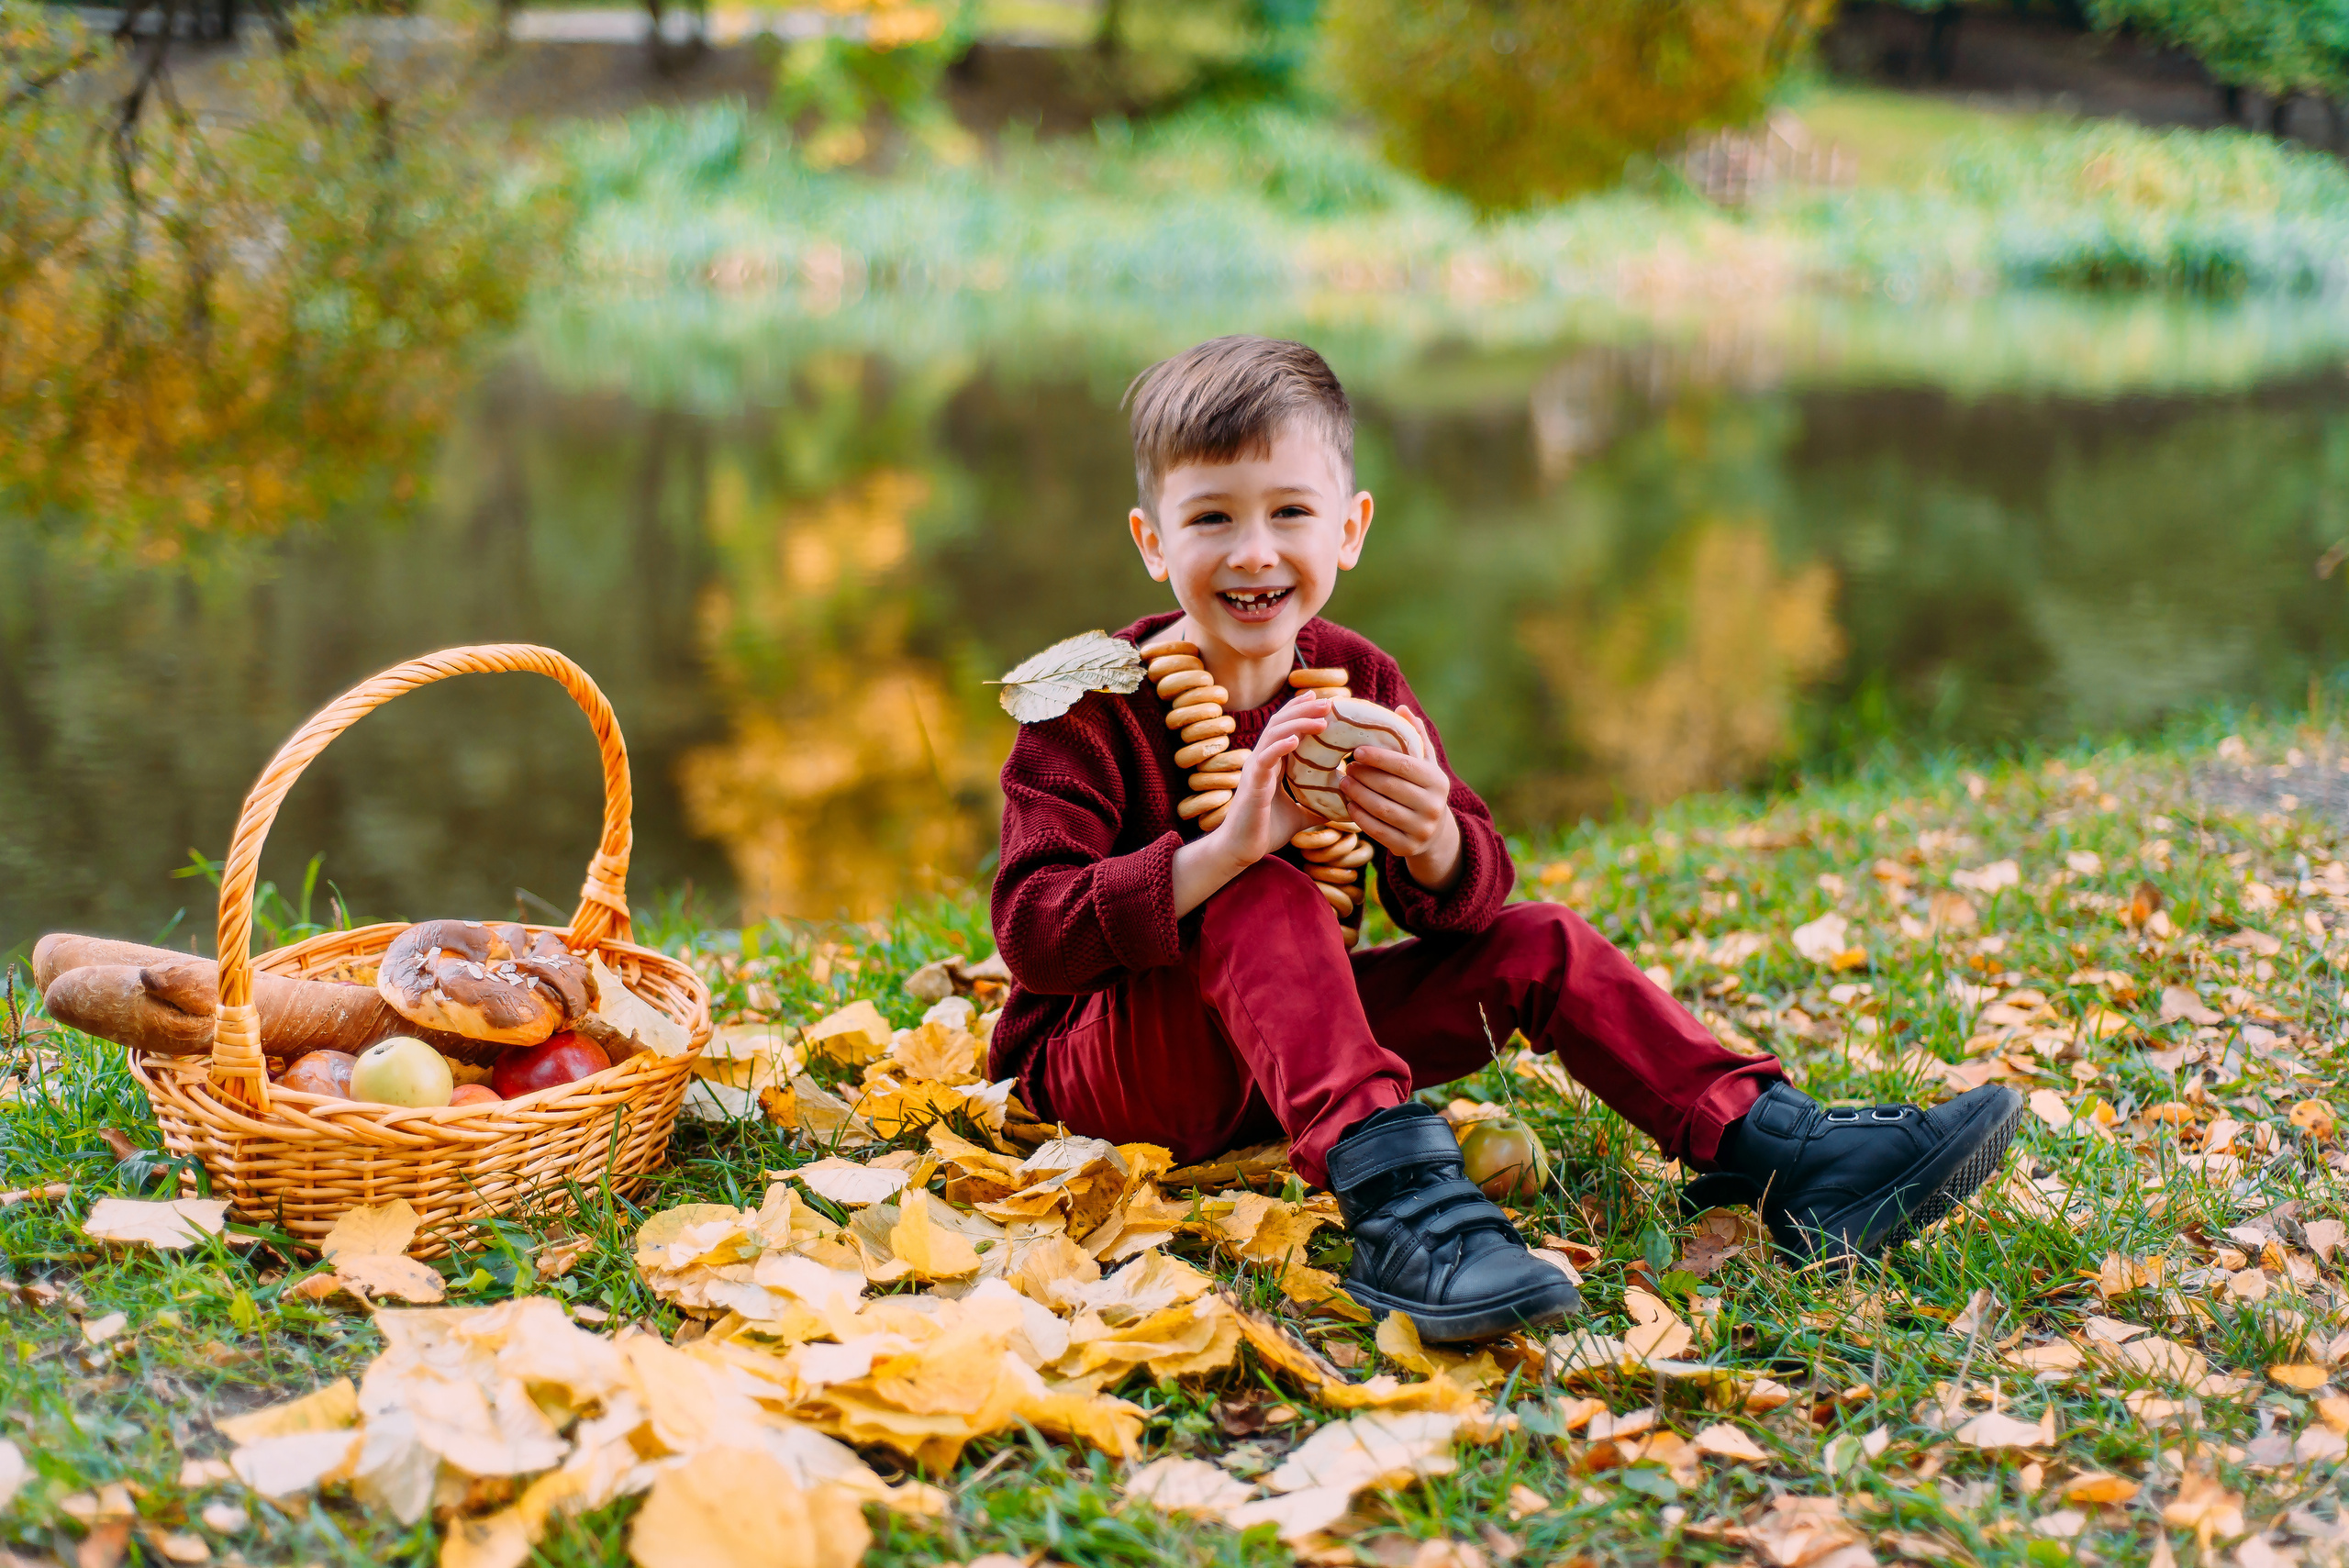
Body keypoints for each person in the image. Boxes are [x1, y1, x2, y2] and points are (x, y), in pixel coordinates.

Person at [987, 335, 2024, 1342]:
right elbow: (1032, 932)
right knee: (1263, 891)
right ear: (1152, 540)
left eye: (1288, 511)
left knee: (1540, 940)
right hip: (1116, 1070)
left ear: (1348, 529)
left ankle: (1780, 1149)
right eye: (1211, 516)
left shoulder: (1359, 681)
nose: (1254, 550)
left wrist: (1433, 837)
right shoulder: (1088, 700)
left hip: (1290, 1071)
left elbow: (1469, 900)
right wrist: (1223, 850)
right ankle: (1405, 1219)